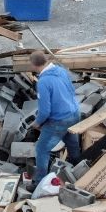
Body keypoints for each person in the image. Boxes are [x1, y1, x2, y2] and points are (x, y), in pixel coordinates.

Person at [28, 51, 81, 188]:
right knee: (72, 143)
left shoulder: (43, 82)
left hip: (59, 120)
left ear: (33, 65)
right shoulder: (61, 71)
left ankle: (39, 183)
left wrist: (37, 123)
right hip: (74, 114)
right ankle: (80, 170)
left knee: (41, 149)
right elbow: (71, 91)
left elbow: (45, 111)